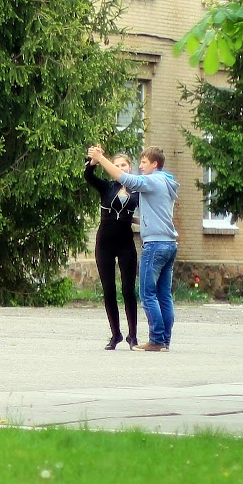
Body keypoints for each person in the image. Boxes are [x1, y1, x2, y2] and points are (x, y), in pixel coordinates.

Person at [87, 144, 178, 352]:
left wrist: (101, 158)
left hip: (152, 244)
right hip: (166, 242)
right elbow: (151, 214)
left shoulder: (146, 183)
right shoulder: (166, 181)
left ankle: (151, 339)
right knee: (163, 294)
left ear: (154, 164)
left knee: (146, 294)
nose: (140, 166)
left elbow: (126, 179)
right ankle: (161, 340)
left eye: (143, 162)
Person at [84, 152, 139, 349]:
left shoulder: (137, 189)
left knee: (128, 290)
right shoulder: (107, 187)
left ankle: (133, 336)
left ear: (129, 168)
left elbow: (149, 210)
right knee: (109, 290)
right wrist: (92, 163)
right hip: (105, 243)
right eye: (117, 165)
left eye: (124, 165)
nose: (121, 168)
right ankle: (115, 334)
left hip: (125, 242)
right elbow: (88, 176)